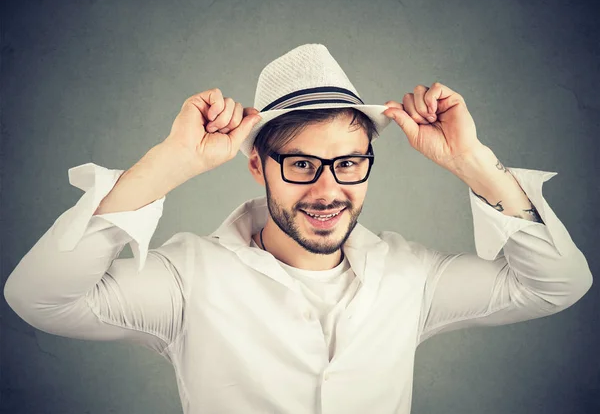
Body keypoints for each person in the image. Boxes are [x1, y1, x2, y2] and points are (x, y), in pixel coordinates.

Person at [3, 43, 593, 414]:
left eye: (349, 163)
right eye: (302, 164)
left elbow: (557, 284)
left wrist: (471, 160)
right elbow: (39, 297)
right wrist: (172, 162)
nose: (328, 189)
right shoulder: (188, 280)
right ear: (258, 165)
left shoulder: (412, 278)